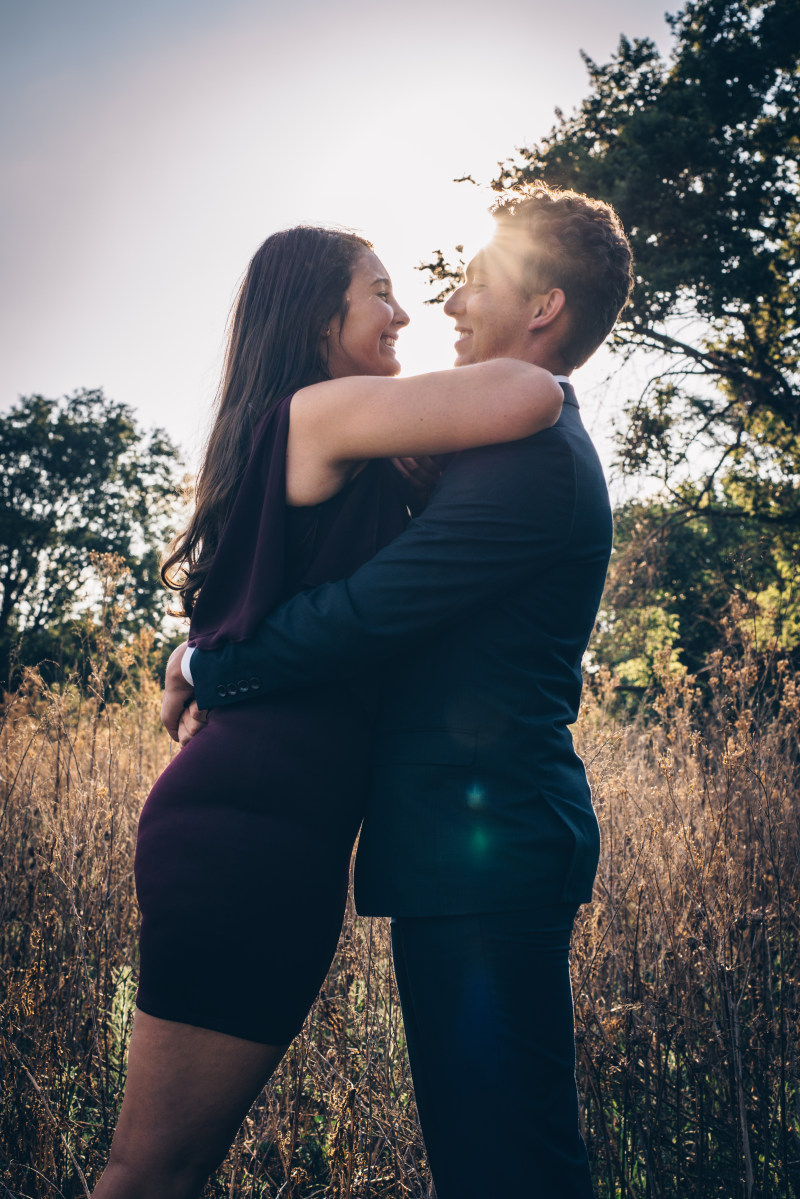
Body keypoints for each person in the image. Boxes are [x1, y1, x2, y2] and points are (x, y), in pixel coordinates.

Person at [166, 185, 634, 1199]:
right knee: (487, 1158)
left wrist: (211, 664)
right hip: (460, 855)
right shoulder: (482, 446)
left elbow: (369, 612)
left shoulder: (534, 457)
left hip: (488, 853)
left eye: (472, 281)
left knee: (509, 1164)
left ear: (541, 306)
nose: (449, 306)